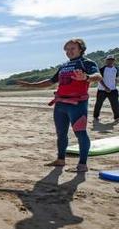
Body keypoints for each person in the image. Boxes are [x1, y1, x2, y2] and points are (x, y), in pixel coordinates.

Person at [17, 38, 102, 172]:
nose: (69, 52)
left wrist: (86, 78)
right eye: (67, 49)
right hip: (60, 104)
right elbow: (51, 81)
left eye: (72, 48)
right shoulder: (63, 66)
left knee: (80, 133)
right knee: (61, 133)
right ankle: (60, 159)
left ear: (81, 49)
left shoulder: (87, 63)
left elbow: (98, 76)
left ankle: (82, 164)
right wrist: (30, 85)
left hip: (77, 104)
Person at [93, 55, 119, 121]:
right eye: (109, 59)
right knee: (98, 104)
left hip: (113, 90)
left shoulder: (115, 69)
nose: (110, 61)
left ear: (114, 61)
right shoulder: (102, 69)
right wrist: (106, 87)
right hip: (102, 90)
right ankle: (95, 117)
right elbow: (99, 79)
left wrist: (114, 85)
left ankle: (117, 117)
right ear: (106, 60)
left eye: (112, 60)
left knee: (115, 105)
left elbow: (115, 78)